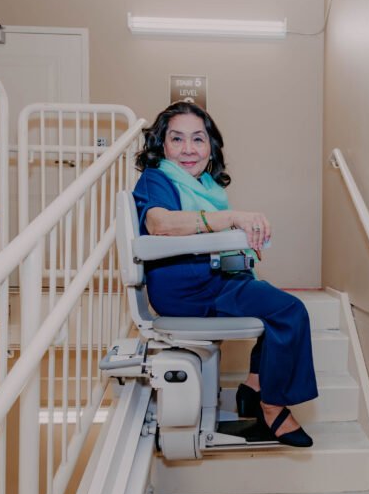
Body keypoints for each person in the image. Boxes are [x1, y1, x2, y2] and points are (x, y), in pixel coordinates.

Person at [133, 101, 318, 447]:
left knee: (275, 307)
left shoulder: (207, 187)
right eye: (177, 139)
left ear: (210, 147)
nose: (189, 149)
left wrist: (239, 245)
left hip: (214, 278)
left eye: (198, 139)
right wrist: (231, 219)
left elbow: (210, 233)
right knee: (290, 312)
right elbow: (160, 224)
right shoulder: (156, 178)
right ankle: (272, 405)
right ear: (162, 145)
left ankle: (253, 385)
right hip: (188, 285)